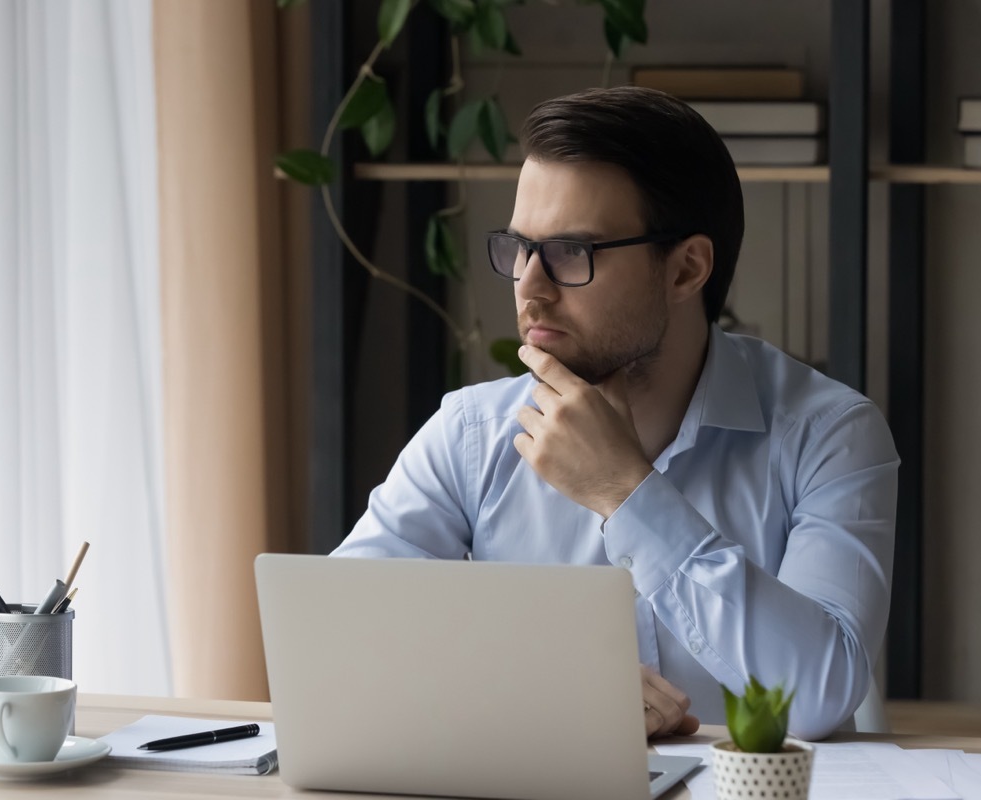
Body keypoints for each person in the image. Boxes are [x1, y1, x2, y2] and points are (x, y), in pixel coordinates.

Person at [333, 86, 899, 741]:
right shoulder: (471, 436)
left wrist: (627, 492)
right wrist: (544, 679)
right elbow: (338, 639)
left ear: (687, 269)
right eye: (519, 247)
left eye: (573, 252)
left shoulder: (829, 434)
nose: (529, 287)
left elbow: (816, 698)